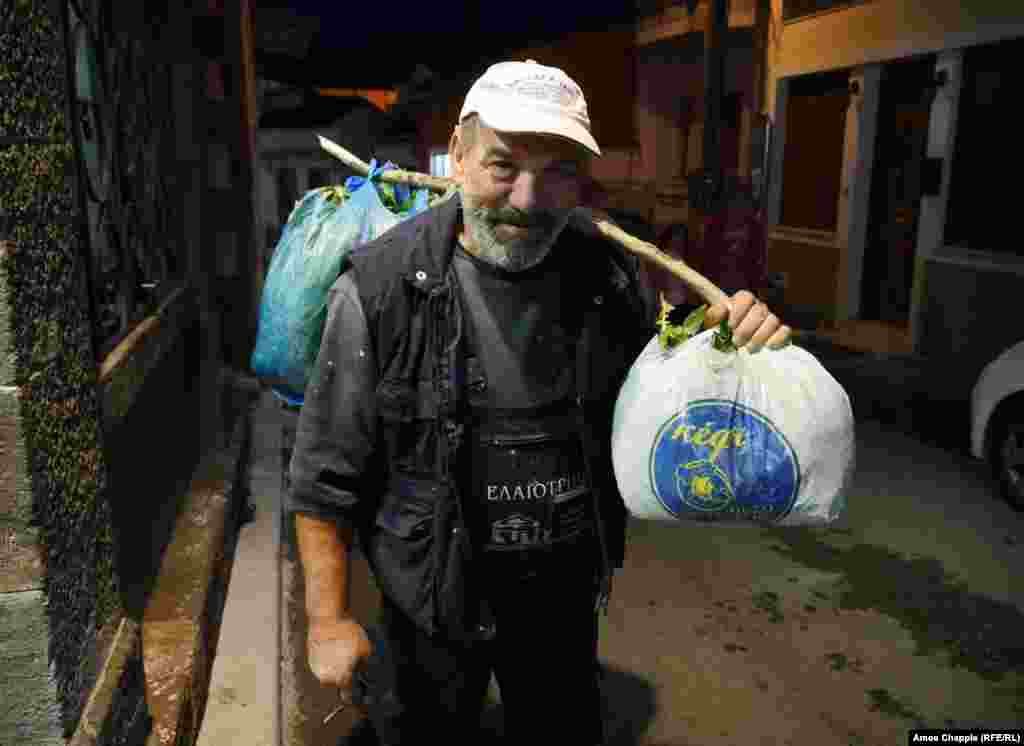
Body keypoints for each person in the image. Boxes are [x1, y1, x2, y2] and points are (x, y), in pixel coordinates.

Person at [287, 59, 791, 745]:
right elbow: (324, 476)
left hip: (559, 598)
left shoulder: (604, 275)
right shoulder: (380, 292)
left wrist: (724, 336)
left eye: (554, 171)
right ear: (458, 156)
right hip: (429, 598)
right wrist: (328, 619)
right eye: (502, 166)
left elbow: (658, 381)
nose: (527, 197)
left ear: (579, 179)